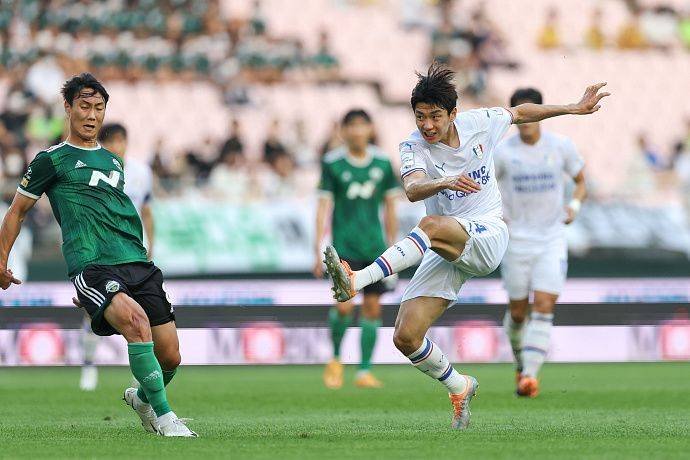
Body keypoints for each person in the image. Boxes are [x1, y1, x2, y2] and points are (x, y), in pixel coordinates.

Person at [323, 63, 609, 429]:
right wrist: (445, 181)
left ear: (454, 114)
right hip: (444, 244)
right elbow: (412, 189)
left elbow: (522, 113)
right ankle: (459, 385)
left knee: (430, 225)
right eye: (420, 116)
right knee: (405, 336)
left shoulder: (482, 122)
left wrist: (573, 107)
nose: (427, 125)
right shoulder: (412, 145)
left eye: (436, 116)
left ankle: (357, 280)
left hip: (488, 233)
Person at [0, 73, 196, 437]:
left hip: (137, 262)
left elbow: (119, 213)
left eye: (99, 108)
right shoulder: (51, 160)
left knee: (170, 356)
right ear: (69, 108)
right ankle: (166, 419)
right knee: (137, 325)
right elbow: (16, 212)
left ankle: (142, 399)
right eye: (85, 106)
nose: (91, 115)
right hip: (93, 264)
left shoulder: (113, 162)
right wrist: (1, 261)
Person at [494, 88, 587, 398]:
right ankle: (521, 363)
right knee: (519, 313)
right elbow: (485, 189)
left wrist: (573, 207)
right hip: (516, 240)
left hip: (551, 238)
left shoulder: (561, 147)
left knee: (545, 305)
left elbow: (581, 181)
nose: (526, 121)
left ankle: (530, 377)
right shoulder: (502, 153)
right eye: (520, 114)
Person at [315, 109, 399, 390]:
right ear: (344, 130)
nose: (357, 131)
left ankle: (364, 371)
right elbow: (323, 206)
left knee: (373, 310)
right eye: (352, 126)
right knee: (344, 307)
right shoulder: (332, 163)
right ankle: (336, 359)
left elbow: (390, 207)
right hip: (344, 247)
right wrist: (318, 248)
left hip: (374, 246)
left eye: (363, 125)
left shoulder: (383, 162)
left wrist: (393, 248)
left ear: (370, 128)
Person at [79, 122, 156, 392]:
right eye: (110, 141)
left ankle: (139, 378)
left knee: (140, 315)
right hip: (102, 252)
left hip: (134, 252)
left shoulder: (141, 173)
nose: (116, 146)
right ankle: (89, 365)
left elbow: (146, 212)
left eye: (120, 141)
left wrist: (151, 247)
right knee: (95, 311)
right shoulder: (91, 171)